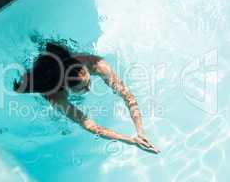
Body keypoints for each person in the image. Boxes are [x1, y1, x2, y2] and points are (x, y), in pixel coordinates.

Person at [13, 42, 160, 154]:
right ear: (66, 87)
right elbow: (91, 126)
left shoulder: (96, 64)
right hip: (43, 76)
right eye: (82, 89)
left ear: (85, 69)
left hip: (58, 54)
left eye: (88, 82)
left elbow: (127, 96)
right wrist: (129, 140)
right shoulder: (56, 96)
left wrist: (140, 131)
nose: (89, 89)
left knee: (56, 47)